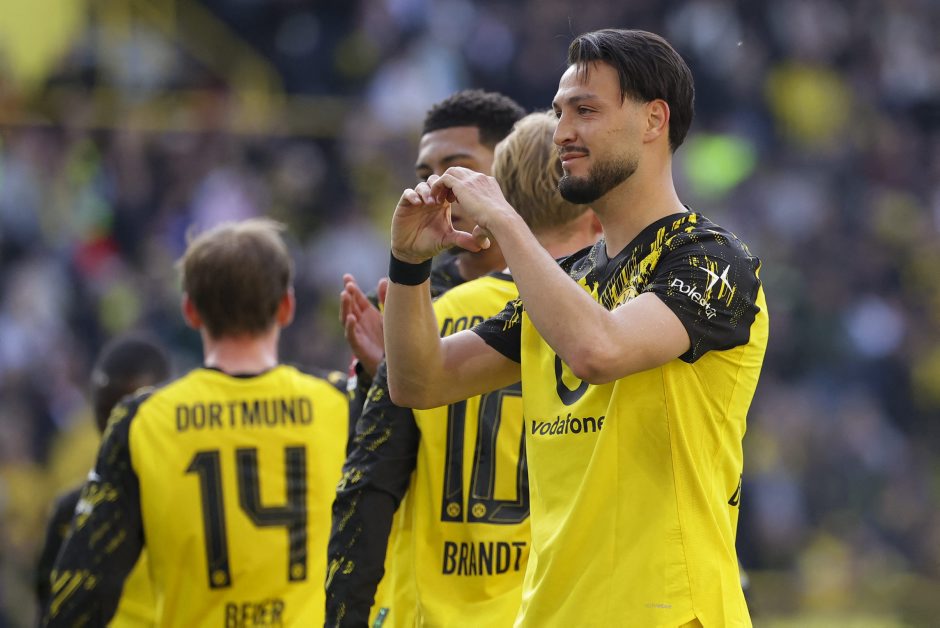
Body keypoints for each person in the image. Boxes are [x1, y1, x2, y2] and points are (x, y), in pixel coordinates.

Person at [382, 29, 768, 627]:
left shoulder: (712, 260)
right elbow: (419, 382)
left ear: (654, 120)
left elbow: (599, 350)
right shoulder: (567, 280)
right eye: (559, 111)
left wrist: (505, 220)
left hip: (666, 614)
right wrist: (409, 265)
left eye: (586, 110)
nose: (561, 132)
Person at [327, 111, 600, 628]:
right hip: (554, 606)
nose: (439, 186)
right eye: (425, 172)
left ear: (497, 197)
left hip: (432, 610)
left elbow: (366, 483)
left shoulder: (429, 319)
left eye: (455, 169)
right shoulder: (613, 319)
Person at [42, 219, 351, 626]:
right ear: (286, 307)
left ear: (189, 310)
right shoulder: (339, 402)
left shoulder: (144, 420)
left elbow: (81, 592)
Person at [36, 333, 170, 626]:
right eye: (106, 413)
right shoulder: (70, 512)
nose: (116, 427)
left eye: (130, 414)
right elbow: (49, 609)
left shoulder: (192, 498)